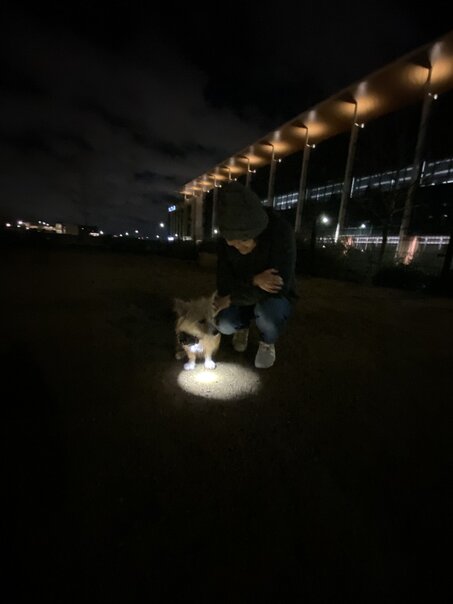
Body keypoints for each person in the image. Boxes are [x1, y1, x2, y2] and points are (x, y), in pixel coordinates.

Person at [214, 181, 297, 369]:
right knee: (224, 323)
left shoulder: (280, 232)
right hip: (244, 293)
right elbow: (224, 284)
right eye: (231, 243)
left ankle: (267, 341)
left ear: (256, 231)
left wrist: (232, 297)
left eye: (242, 241)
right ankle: (241, 327)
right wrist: (255, 280)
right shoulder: (225, 243)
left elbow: (278, 287)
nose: (237, 247)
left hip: (272, 299)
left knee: (268, 314)